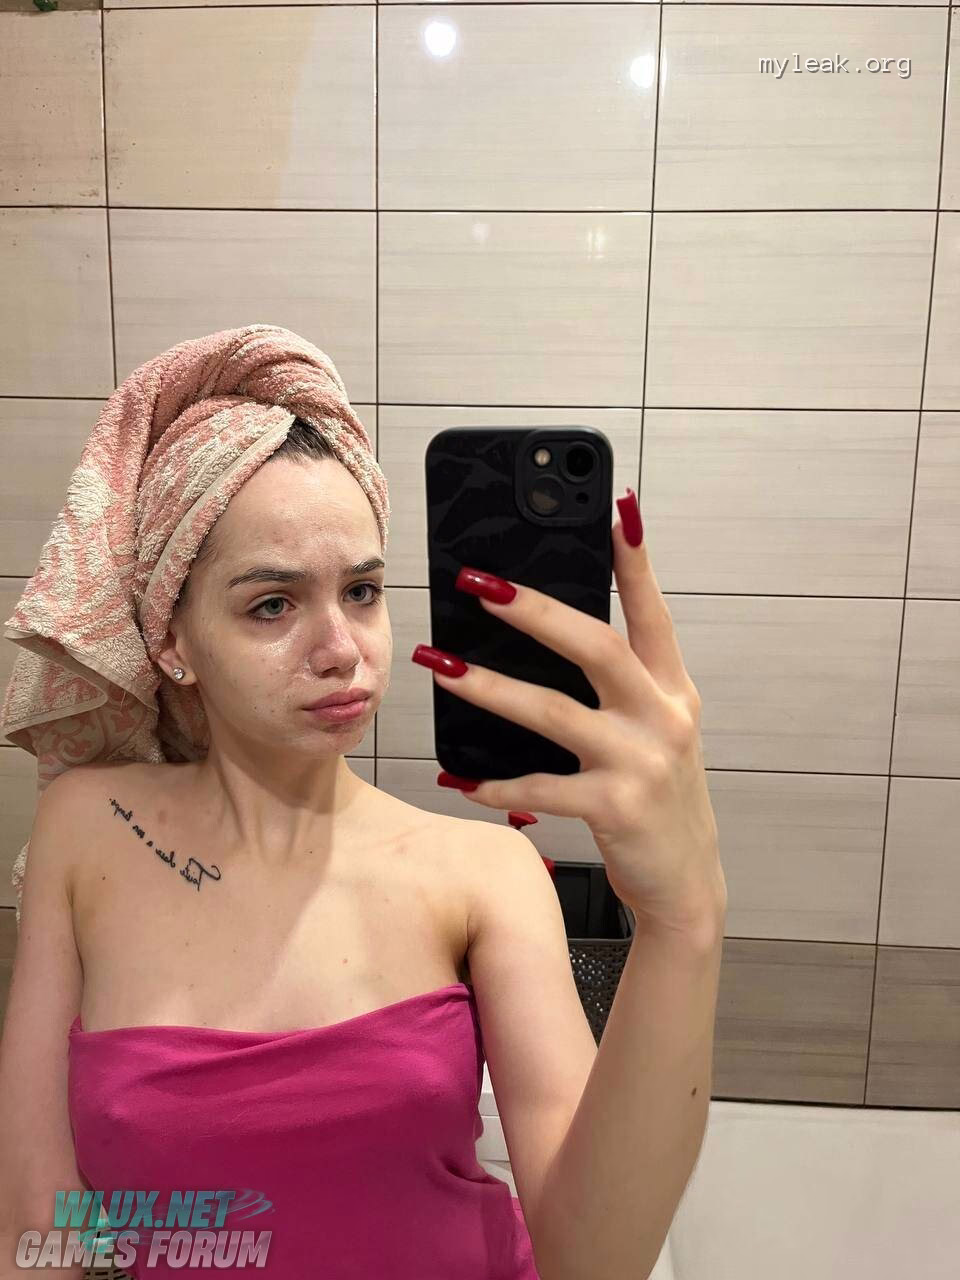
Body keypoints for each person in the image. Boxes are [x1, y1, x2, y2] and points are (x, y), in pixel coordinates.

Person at [0, 327, 578, 1278]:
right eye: (272, 604)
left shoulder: (486, 871)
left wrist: (680, 926)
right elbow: (38, 1217)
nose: (342, 650)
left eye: (363, 591)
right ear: (171, 640)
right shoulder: (86, 830)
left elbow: (590, 1246)